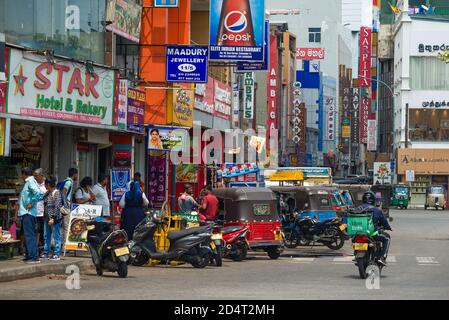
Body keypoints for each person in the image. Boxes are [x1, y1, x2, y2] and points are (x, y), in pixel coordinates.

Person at [18, 167, 46, 264]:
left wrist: (32, 203)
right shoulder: (30, 182)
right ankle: (30, 255)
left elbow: (39, 194)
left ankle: (33, 257)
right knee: (29, 235)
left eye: (22, 174)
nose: (21, 176)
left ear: (24, 174)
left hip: (28, 212)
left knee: (30, 235)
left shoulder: (30, 181)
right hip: (27, 212)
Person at [361, 191, 392, 266]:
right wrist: (388, 227)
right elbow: (384, 221)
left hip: (358, 233)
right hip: (371, 233)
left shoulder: (358, 208)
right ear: (373, 200)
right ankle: (381, 257)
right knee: (387, 238)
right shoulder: (376, 210)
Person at [40, 176, 63, 261]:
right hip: (47, 218)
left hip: (55, 219)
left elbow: (57, 206)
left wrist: (53, 218)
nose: (44, 186)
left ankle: (56, 254)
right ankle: (46, 253)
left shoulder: (56, 193)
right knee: (47, 236)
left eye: (45, 184)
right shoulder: (47, 193)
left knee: (56, 236)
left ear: (48, 184)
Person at [61, 168, 78, 252]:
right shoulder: (69, 182)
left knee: (63, 227)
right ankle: (65, 247)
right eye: (77, 174)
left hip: (63, 205)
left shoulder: (65, 180)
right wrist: (66, 203)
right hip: (65, 206)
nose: (77, 176)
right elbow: (64, 191)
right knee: (67, 227)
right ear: (74, 174)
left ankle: (62, 246)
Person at [36, 173, 47, 254]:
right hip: (35, 212)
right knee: (36, 230)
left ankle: (41, 248)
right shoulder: (34, 185)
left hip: (42, 212)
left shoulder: (44, 186)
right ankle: (36, 247)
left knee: (41, 231)